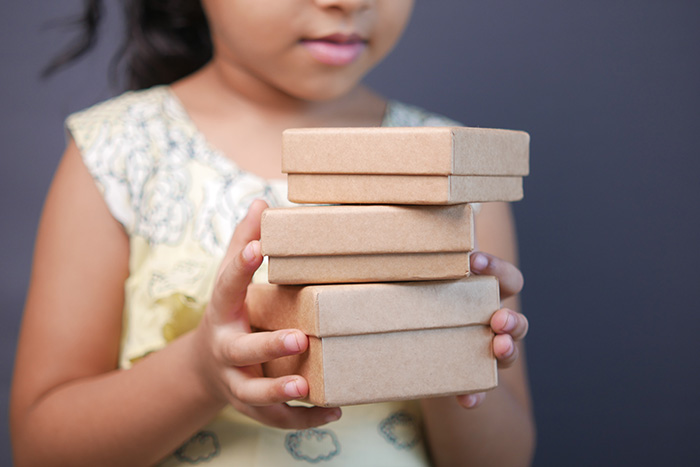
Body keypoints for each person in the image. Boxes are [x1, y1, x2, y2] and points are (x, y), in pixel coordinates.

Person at [10, 0, 535, 465]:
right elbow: (41, 446)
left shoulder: (455, 172)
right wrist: (199, 373)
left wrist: (445, 349)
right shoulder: (119, 153)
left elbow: (504, 457)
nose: (347, 2)